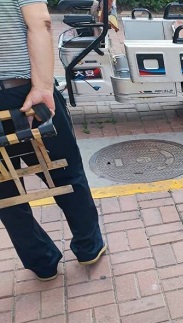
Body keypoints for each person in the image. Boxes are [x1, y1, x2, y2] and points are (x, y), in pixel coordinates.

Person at [0, 0, 105, 281]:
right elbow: (40, 22)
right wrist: (43, 87)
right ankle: (89, 246)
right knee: (67, 173)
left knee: (5, 191)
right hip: (24, 92)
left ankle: (42, 262)